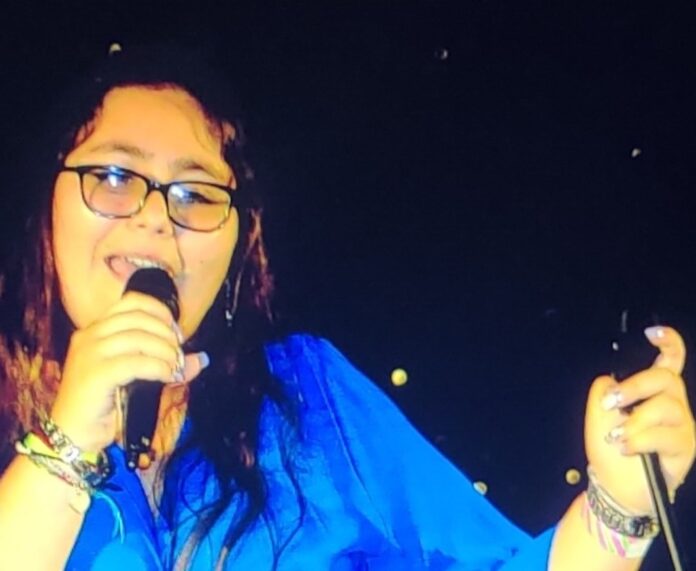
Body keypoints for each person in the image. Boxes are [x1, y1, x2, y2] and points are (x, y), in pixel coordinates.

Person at [0, 45, 693, 571]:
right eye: (114, 176)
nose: (155, 218)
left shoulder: (308, 396)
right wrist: (65, 448)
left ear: (238, 242)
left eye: (196, 194)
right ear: (47, 209)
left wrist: (620, 505)